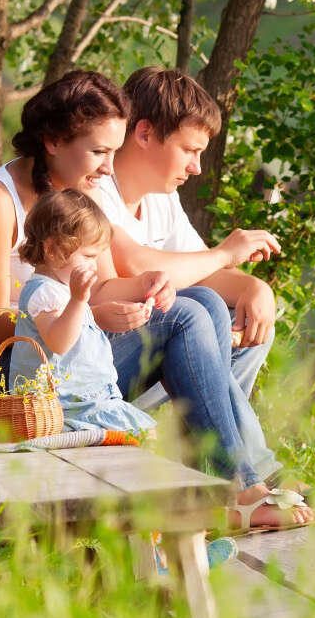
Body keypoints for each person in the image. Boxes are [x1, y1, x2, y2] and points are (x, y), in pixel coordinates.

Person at [0, 70, 315, 529]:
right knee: (184, 315)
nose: (107, 168)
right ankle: (241, 487)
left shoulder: (76, 194)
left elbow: (101, 286)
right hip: (8, 379)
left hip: (67, 361)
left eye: (113, 152)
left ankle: (221, 479)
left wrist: (151, 284)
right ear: (53, 140)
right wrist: (86, 316)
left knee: (194, 299)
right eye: (100, 152)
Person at [95, 66, 280, 406]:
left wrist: (255, 288)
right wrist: (225, 253)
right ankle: (222, 447)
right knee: (196, 310)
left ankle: (209, 441)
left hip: (140, 358)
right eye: (189, 151)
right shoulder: (94, 186)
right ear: (145, 135)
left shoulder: (161, 197)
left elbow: (203, 271)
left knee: (254, 323)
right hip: (96, 363)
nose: (197, 167)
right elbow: (134, 263)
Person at [10, 189, 156, 437]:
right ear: (53, 250)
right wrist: (79, 301)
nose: (94, 264)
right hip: (63, 406)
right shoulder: (44, 293)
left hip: (89, 399)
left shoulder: (62, 291)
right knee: (141, 435)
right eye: (88, 256)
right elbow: (59, 342)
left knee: (147, 433)